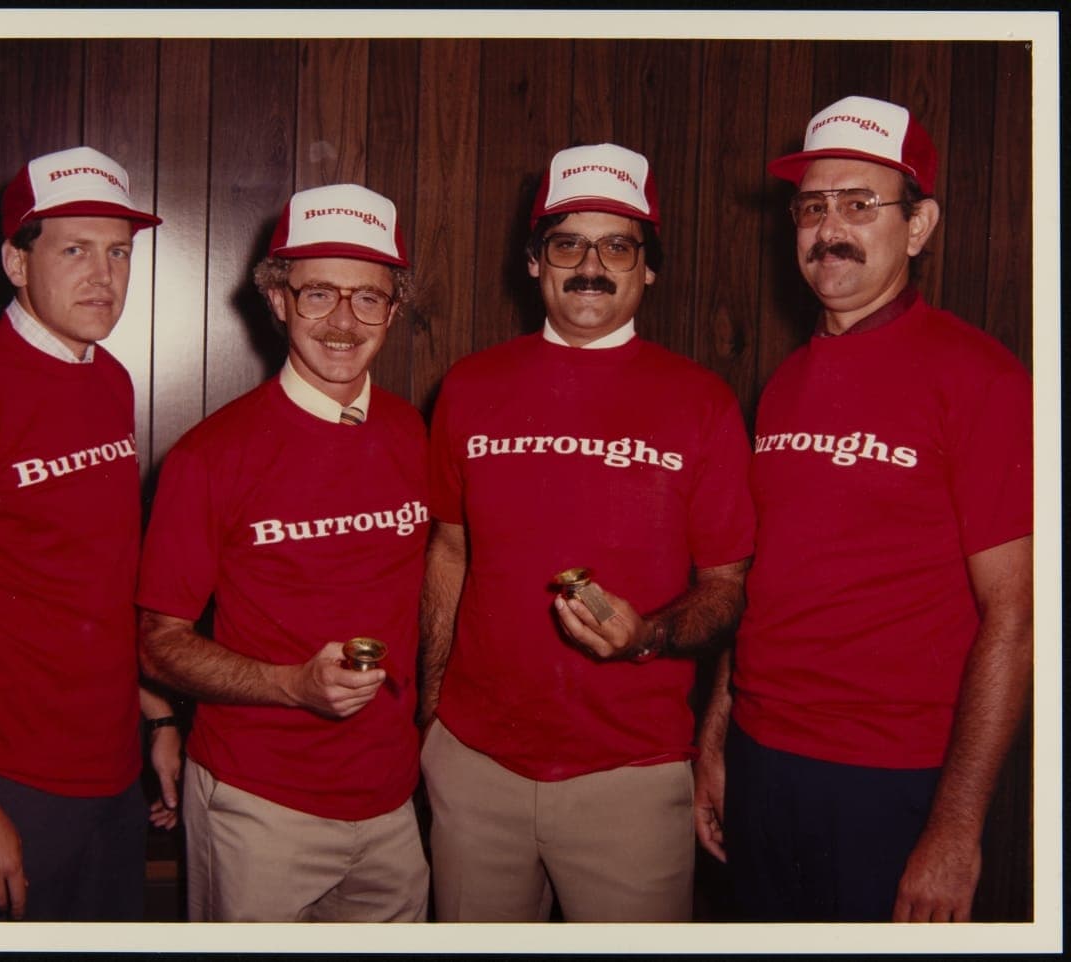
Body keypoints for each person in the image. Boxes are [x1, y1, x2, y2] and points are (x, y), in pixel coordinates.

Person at [693, 95, 1034, 923]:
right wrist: (718, 733)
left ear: (918, 227)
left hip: (892, 781)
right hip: (763, 760)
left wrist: (956, 829)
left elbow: (1017, 617)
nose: (829, 228)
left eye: (858, 204)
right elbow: (767, 577)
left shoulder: (983, 380)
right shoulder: (786, 383)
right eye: (812, 207)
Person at [419, 143, 756, 922]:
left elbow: (727, 588)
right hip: (476, 767)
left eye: (618, 247)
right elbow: (449, 552)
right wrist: (431, 712)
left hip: (632, 776)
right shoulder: (469, 387)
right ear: (534, 261)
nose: (591, 267)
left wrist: (648, 635)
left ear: (648, 268)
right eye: (568, 243)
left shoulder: (702, 403)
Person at [135, 183, 430, 922]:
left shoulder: (415, 435)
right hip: (257, 808)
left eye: (369, 298)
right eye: (318, 293)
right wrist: (290, 686)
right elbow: (158, 644)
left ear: (394, 310)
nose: (343, 322)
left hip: (394, 803)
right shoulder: (209, 457)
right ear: (276, 299)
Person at [0, 146, 182, 922]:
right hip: (2, 780)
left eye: (118, 252)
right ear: (15, 262)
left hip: (110, 771)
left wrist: (157, 714)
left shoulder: (110, 378)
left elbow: (102, 577)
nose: (104, 275)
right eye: (74, 250)